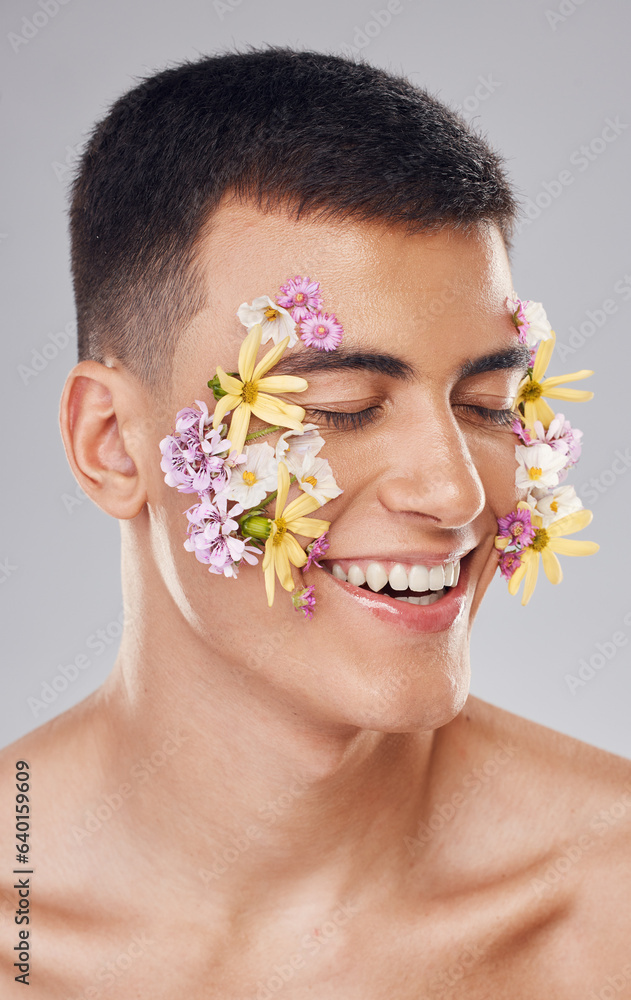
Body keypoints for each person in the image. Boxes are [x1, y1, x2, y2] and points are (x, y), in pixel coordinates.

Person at [1, 46, 630, 998]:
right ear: (112, 445)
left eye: (489, 401)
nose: (456, 495)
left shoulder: (606, 903)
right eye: (340, 405)